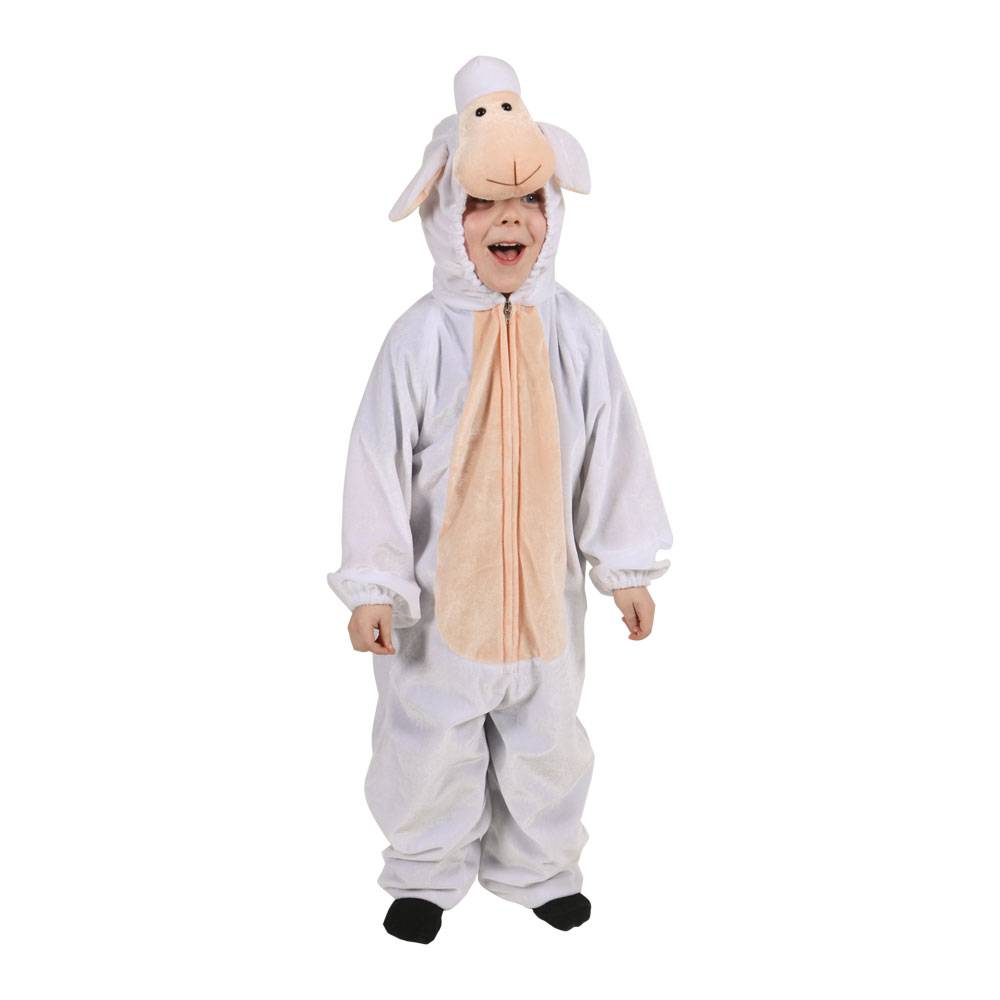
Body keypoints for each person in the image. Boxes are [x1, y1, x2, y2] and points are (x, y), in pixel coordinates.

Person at [328, 55, 673, 944]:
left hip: (546, 600)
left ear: (552, 212)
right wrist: (374, 585)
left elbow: (614, 451)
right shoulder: (418, 341)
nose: (508, 219)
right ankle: (424, 874)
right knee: (426, 739)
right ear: (444, 212)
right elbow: (374, 464)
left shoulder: (578, 334)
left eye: (527, 201)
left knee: (548, 739)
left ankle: (540, 869)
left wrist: (626, 568)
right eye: (482, 203)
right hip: (439, 609)